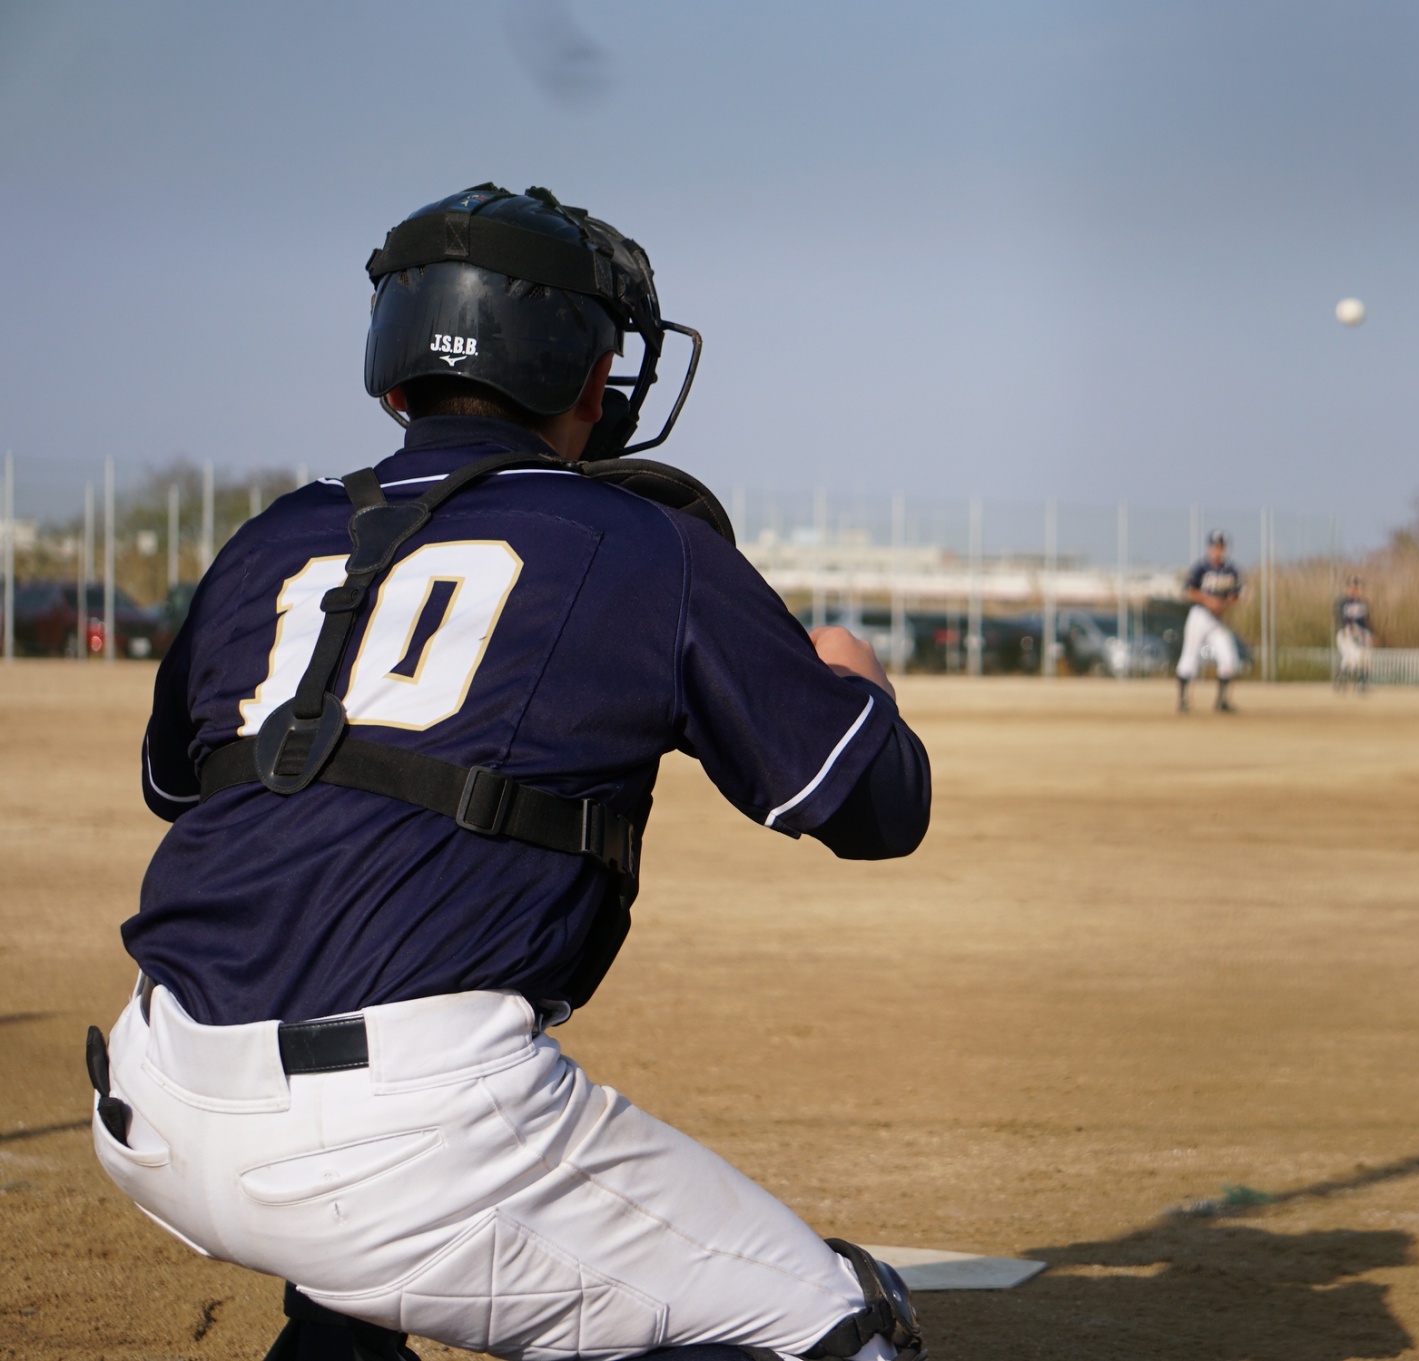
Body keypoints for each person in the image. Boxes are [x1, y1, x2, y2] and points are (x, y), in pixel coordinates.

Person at [89, 186, 930, 1361]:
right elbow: (874, 806)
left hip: (154, 1096)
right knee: (839, 1324)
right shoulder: (645, 543)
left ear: (394, 379)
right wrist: (855, 684)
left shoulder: (270, 536)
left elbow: (182, 788)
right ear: (591, 382)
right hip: (406, 1134)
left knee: (348, 1269)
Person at [1177, 529, 1243, 712]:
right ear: (1209, 548)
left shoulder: (1231, 570)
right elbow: (1189, 591)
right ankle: (1182, 700)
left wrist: (1224, 604)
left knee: (1228, 658)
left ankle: (1221, 702)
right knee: (1189, 656)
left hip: (1217, 619)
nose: (1217, 550)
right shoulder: (1201, 568)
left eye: (1220, 547)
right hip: (1200, 616)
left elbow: (1236, 594)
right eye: (1214, 546)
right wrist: (1209, 601)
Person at [1334, 577, 1373, 693]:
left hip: (1361, 634)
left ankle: (1361, 683)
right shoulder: (1342, 602)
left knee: (1365, 658)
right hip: (1346, 633)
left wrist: (1370, 634)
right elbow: (1340, 617)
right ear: (1347, 589)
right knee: (1351, 659)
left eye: (1356, 587)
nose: (1354, 590)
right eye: (1352, 587)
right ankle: (1341, 679)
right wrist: (1347, 629)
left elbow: (1366, 621)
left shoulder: (1363, 603)